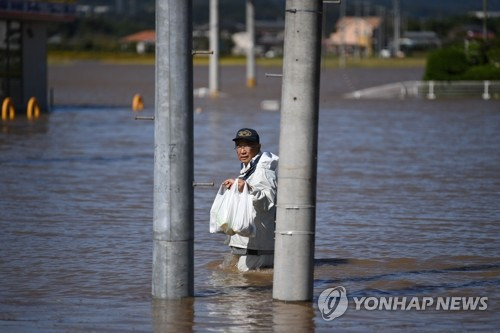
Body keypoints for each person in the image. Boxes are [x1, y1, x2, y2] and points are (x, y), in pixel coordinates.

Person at [223, 128, 279, 272]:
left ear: (258, 147)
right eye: (239, 146)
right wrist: (236, 187)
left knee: (241, 283)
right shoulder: (249, 168)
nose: (242, 151)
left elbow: (268, 202)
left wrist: (249, 188)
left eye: (247, 146)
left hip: (258, 246)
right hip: (249, 242)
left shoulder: (263, 171)